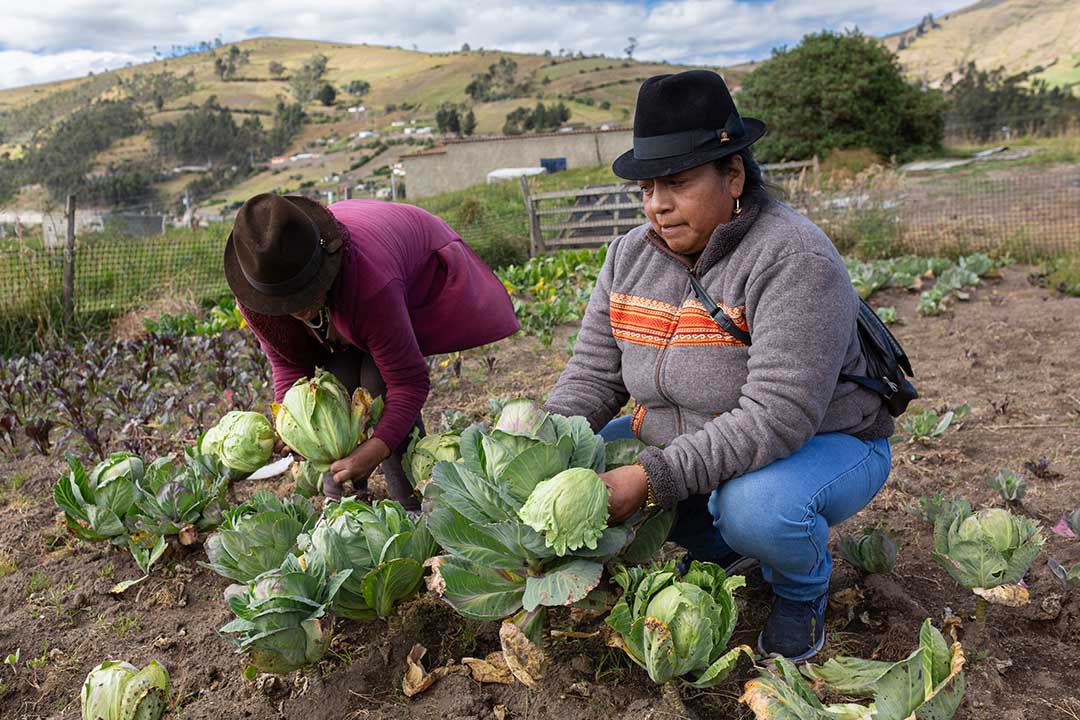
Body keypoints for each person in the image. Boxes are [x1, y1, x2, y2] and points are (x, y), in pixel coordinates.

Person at [544, 70, 893, 661]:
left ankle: (801, 591)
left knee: (756, 509)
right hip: (693, 436)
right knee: (577, 456)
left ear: (733, 174)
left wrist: (653, 479)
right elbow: (592, 376)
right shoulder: (628, 255)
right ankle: (722, 545)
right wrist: (536, 442)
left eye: (677, 182)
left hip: (825, 441)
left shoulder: (792, 258)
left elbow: (776, 418)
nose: (658, 204)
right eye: (648, 187)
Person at [224, 193, 519, 508]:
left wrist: (377, 447)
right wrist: (291, 421)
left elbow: (408, 382)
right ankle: (342, 496)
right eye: (286, 303)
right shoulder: (258, 293)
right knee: (334, 385)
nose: (299, 310)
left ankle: (411, 503)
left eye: (305, 296)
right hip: (358, 282)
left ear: (323, 271)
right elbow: (288, 361)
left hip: (410, 269)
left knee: (377, 388)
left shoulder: (372, 284)